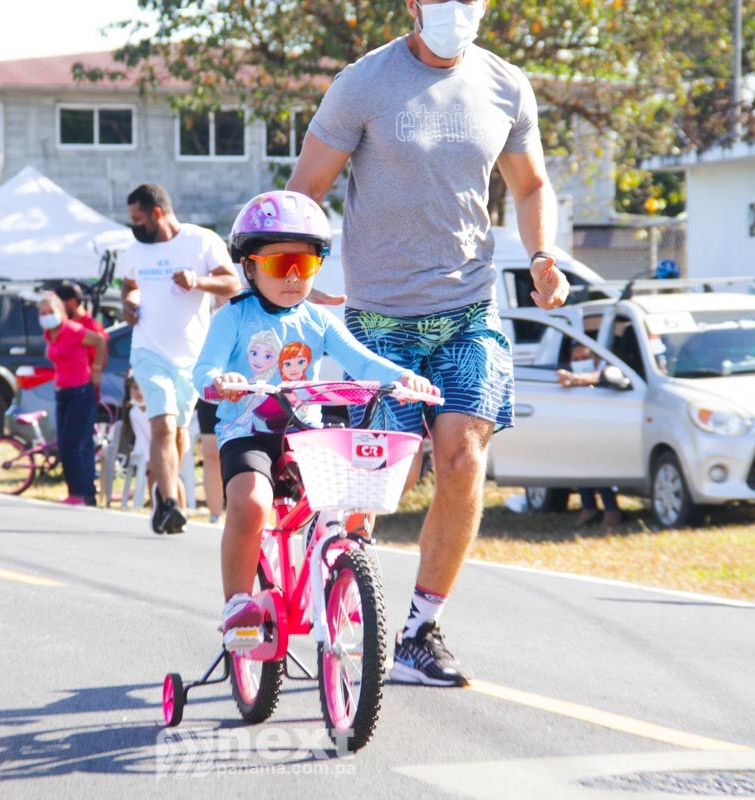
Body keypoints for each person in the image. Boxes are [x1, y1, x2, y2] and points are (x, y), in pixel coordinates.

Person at [286, 0, 570, 686]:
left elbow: (532, 185)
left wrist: (542, 255)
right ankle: (340, 572)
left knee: (463, 457)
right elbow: (307, 187)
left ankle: (419, 631)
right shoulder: (364, 83)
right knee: (383, 476)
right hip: (379, 319)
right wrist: (296, 275)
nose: (457, 9)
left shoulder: (506, 85)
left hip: (468, 309)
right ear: (412, 4)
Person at [193, 190, 438, 648]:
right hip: (249, 432)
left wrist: (403, 377)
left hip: (305, 433)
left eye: (304, 264)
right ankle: (239, 605)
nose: (292, 276)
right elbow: (203, 369)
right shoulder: (234, 316)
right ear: (249, 266)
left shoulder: (318, 320)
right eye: (279, 263)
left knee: (350, 497)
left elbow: (362, 361)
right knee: (251, 502)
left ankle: (346, 575)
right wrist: (219, 381)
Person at [120, 183, 241, 534]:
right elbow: (129, 286)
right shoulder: (134, 251)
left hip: (191, 356)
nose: (134, 226)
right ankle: (171, 504)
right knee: (162, 425)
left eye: (138, 219)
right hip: (148, 350)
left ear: (157, 213)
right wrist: (130, 304)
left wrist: (197, 281)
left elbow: (232, 282)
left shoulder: (201, 241)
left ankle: (163, 495)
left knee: (177, 433)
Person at [38, 291, 108, 506]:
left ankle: (83, 492)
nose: (47, 316)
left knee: (76, 442)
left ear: (60, 310)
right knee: (65, 443)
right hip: (62, 392)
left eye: (50, 311)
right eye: (43, 312)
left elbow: (100, 341)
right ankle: (76, 491)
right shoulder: (49, 334)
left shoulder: (73, 330)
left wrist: (97, 369)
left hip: (80, 391)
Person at [556, 343, 623, 528]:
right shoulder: (568, 374)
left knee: (598, 465)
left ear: (595, 357)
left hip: (604, 427)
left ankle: (611, 509)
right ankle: (589, 507)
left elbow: (600, 377)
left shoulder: (605, 369)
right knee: (580, 464)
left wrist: (575, 379)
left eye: (584, 358)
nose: (580, 362)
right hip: (580, 427)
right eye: (576, 359)